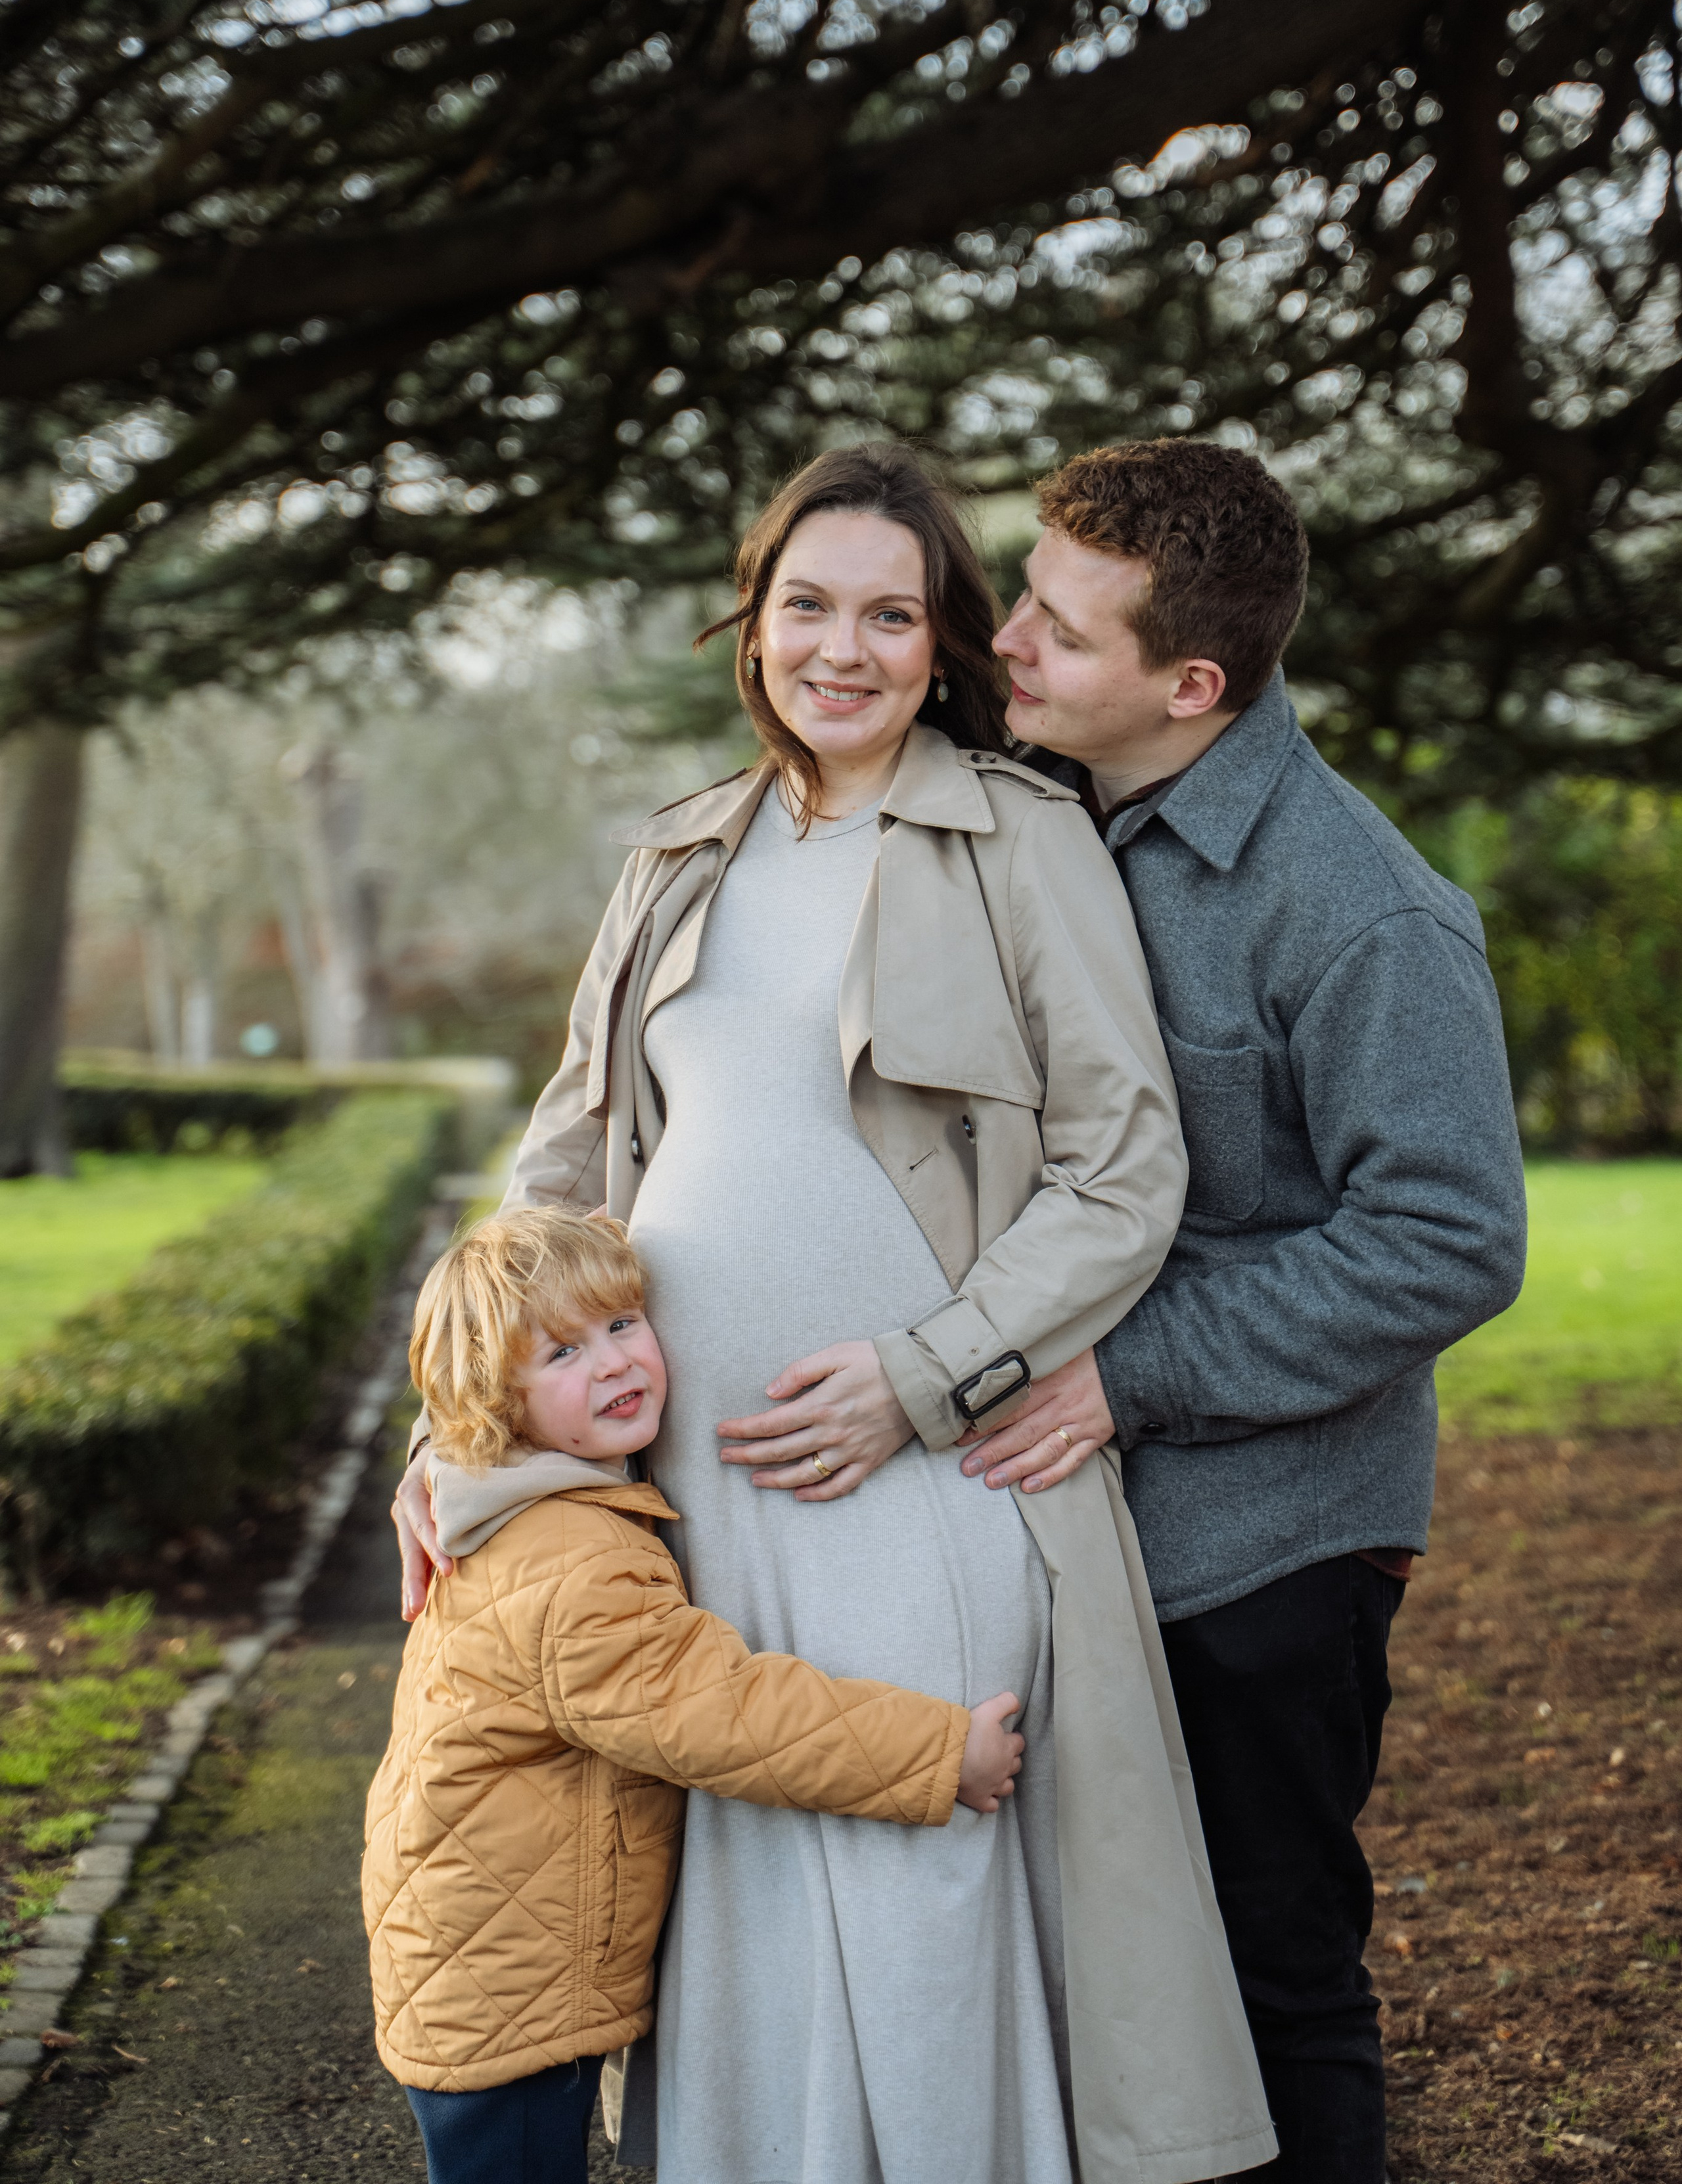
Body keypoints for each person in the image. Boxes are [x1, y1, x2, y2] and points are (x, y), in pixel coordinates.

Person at [396, 443, 1277, 2184]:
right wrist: (462, 1429)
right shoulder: (674, 857)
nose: (843, 649)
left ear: (945, 637)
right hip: (686, 1496)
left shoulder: (1020, 841)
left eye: (890, 613)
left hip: (918, 1473)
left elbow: (1125, 1169)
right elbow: (563, 1169)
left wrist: (922, 1380)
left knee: (919, 1885)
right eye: (808, 606)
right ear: (759, 624)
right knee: (732, 1912)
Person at [956, 439, 1529, 2184]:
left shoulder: (1362, 914)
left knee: (1274, 1983)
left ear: (1190, 685)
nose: (1011, 647)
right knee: (1105, 2000)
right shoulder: (1052, 809)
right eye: (1024, 600)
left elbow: (1449, 1239)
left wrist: (1135, 1375)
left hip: (1269, 1559)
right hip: (1068, 1525)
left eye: (1059, 629)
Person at [365, 1204, 1028, 2184]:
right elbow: (724, 1714)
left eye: (623, 1324)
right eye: (563, 1353)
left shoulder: (505, 1507)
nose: (615, 1363)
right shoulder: (571, 1560)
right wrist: (938, 1753)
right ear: (497, 1399)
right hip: (507, 1979)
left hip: (477, 1949)